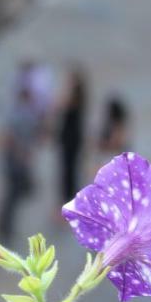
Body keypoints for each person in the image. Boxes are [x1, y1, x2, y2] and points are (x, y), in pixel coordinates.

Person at [0, 84, 41, 244]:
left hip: (11, 160)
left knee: (10, 196)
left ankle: (3, 225)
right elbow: (16, 138)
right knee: (12, 197)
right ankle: (5, 227)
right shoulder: (25, 115)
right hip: (17, 162)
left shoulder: (15, 113)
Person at [56, 67, 88, 204]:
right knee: (68, 170)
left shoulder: (76, 97)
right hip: (70, 136)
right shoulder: (78, 96)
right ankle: (68, 199)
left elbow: (60, 105)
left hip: (71, 138)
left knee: (69, 171)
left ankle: (69, 200)